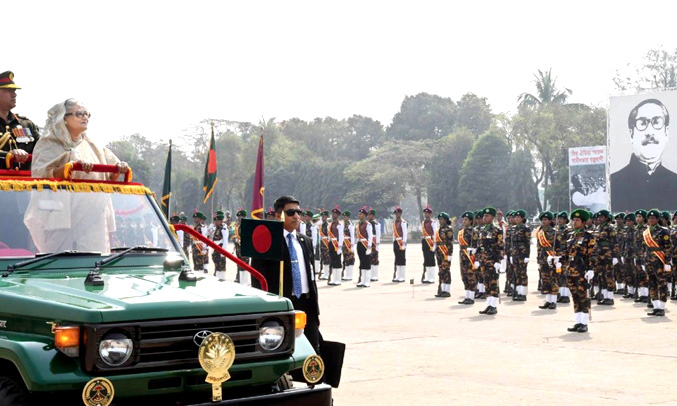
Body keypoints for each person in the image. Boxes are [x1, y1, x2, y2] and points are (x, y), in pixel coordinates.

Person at [24, 99, 129, 253]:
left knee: (94, 263)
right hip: (60, 216)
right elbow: (40, 174)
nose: (85, 117)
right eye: (79, 114)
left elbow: (111, 177)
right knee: (58, 264)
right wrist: (70, 163)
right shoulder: (48, 143)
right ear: (64, 119)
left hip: (93, 216)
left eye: (87, 114)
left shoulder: (94, 146)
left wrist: (119, 169)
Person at [250, 195, 321, 352]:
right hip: (282, 304)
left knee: (313, 349)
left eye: (298, 212)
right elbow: (257, 277)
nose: (296, 216)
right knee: (283, 349)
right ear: (278, 215)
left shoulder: (305, 240)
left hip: (306, 304)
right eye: (290, 213)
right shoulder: (267, 242)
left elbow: (310, 275)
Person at [610, 99, 677, 211]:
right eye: (642, 123)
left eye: (656, 122)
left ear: (666, 132)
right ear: (631, 134)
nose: (650, 131)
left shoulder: (674, 181)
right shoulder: (615, 182)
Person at [0, 71, 40, 169]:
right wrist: (9, 155)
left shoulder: (27, 125)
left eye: (14, 91)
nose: (14, 95)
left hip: (24, 182)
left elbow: (44, 151)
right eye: (8, 90)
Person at [565, 209, 596, 333]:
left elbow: (592, 254)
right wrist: (556, 259)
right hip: (571, 270)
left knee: (583, 296)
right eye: (573, 220)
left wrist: (591, 269)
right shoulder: (571, 235)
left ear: (583, 222)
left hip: (582, 270)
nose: (574, 222)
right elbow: (567, 253)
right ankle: (578, 321)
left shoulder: (588, 237)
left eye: (577, 220)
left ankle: (584, 322)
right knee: (575, 296)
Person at [643, 209, 673, 316]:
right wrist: (644, 261)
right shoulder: (646, 232)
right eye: (649, 218)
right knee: (651, 283)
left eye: (653, 218)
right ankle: (655, 306)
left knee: (662, 283)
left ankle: (662, 307)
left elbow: (668, 247)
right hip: (649, 260)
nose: (651, 220)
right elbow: (645, 248)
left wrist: (667, 262)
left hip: (659, 260)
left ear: (657, 219)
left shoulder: (663, 231)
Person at [476, 207, 504, 315]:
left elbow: (500, 246)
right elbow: (480, 245)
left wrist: (498, 261)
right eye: (484, 216)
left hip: (492, 260)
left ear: (492, 217)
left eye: (487, 216)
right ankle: (489, 304)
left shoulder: (497, 230)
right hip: (484, 260)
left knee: (493, 283)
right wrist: (478, 258)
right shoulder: (483, 230)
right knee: (486, 283)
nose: (484, 217)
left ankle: (494, 306)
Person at [510, 210, 531, 303]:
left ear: (522, 218)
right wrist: (511, 254)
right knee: (517, 273)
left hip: (522, 254)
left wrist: (527, 255)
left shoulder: (525, 228)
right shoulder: (514, 228)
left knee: (522, 273)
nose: (516, 218)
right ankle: (518, 292)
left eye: (518, 217)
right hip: (515, 254)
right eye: (516, 217)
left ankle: (523, 294)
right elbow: (511, 243)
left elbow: (527, 242)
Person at [458, 211, 477, 305]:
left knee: (471, 276)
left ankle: (471, 297)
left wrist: (473, 250)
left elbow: (477, 244)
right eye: (463, 219)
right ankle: (467, 296)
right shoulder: (461, 231)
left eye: (466, 219)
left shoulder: (474, 232)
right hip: (462, 255)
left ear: (470, 221)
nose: (464, 221)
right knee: (464, 275)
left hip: (470, 256)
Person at [434, 212, 454, 298]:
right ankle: (442, 289)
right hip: (439, 252)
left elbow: (450, 242)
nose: (440, 221)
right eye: (439, 219)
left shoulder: (448, 229)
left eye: (441, 219)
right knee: (441, 271)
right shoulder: (438, 229)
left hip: (445, 252)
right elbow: (437, 241)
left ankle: (447, 290)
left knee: (446, 271)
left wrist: (449, 254)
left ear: (445, 220)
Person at [355, 207, 374, 288]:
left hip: (365, 244)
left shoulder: (368, 224)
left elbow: (370, 236)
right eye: (359, 214)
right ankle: (362, 280)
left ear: (365, 215)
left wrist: (369, 247)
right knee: (362, 262)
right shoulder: (358, 224)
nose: (359, 215)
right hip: (359, 243)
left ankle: (367, 281)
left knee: (366, 262)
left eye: (361, 214)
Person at [327, 206, 345, 286]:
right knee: (333, 261)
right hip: (331, 243)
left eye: (335, 214)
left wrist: (340, 247)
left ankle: (338, 279)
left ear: (338, 215)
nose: (333, 215)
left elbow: (341, 236)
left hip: (337, 244)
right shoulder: (331, 224)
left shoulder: (339, 224)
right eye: (333, 213)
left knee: (337, 261)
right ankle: (334, 279)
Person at [420, 204, 437, 284]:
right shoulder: (423, 222)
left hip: (431, 241)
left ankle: (432, 277)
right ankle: (427, 276)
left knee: (431, 259)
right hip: (425, 241)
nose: (426, 214)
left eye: (427, 213)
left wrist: (434, 244)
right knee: (426, 259)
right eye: (425, 213)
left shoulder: (433, 222)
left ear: (430, 214)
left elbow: (435, 234)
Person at [233, 209, 250, 285]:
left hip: (245, 247)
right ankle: (240, 280)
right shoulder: (238, 225)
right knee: (239, 263)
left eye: (241, 216)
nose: (239, 218)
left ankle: (245, 281)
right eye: (239, 217)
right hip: (239, 247)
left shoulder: (246, 225)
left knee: (245, 264)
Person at [210, 212, 228, 280]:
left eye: (216, 221)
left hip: (220, 250)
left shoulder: (224, 229)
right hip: (215, 250)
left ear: (220, 221)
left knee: (221, 267)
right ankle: (217, 278)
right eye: (215, 220)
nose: (215, 222)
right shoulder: (216, 229)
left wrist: (223, 252)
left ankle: (222, 279)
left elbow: (225, 241)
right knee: (217, 266)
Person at [392, 206, 408, 282]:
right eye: (396, 213)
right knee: (397, 258)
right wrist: (394, 241)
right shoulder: (395, 222)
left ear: (400, 214)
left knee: (402, 258)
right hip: (396, 241)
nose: (397, 215)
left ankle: (402, 276)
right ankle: (398, 275)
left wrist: (404, 243)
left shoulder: (403, 222)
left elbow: (405, 233)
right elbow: (394, 233)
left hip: (401, 241)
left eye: (398, 213)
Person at [341, 210, 356, 282]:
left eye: (346, 217)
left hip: (349, 243)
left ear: (348, 217)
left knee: (350, 259)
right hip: (344, 244)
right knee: (345, 259)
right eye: (344, 217)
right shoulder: (342, 225)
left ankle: (350, 275)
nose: (344, 218)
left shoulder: (351, 225)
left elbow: (352, 236)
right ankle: (347, 275)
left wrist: (352, 245)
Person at [367, 208, 381, 282]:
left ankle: (374, 275)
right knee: (369, 259)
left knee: (375, 259)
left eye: (370, 215)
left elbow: (378, 235)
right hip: (368, 242)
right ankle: (369, 274)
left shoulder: (376, 224)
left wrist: (377, 245)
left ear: (373, 216)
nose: (369, 216)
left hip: (374, 242)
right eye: (368, 215)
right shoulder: (367, 223)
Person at [318, 209, 331, 280]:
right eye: (322, 216)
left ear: (327, 217)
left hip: (326, 243)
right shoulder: (321, 225)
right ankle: (325, 273)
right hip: (322, 243)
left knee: (327, 259)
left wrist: (328, 243)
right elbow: (320, 235)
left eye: (324, 216)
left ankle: (327, 273)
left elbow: (329, 235)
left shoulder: (329, 225)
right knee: (323, 258)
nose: (323, 218)